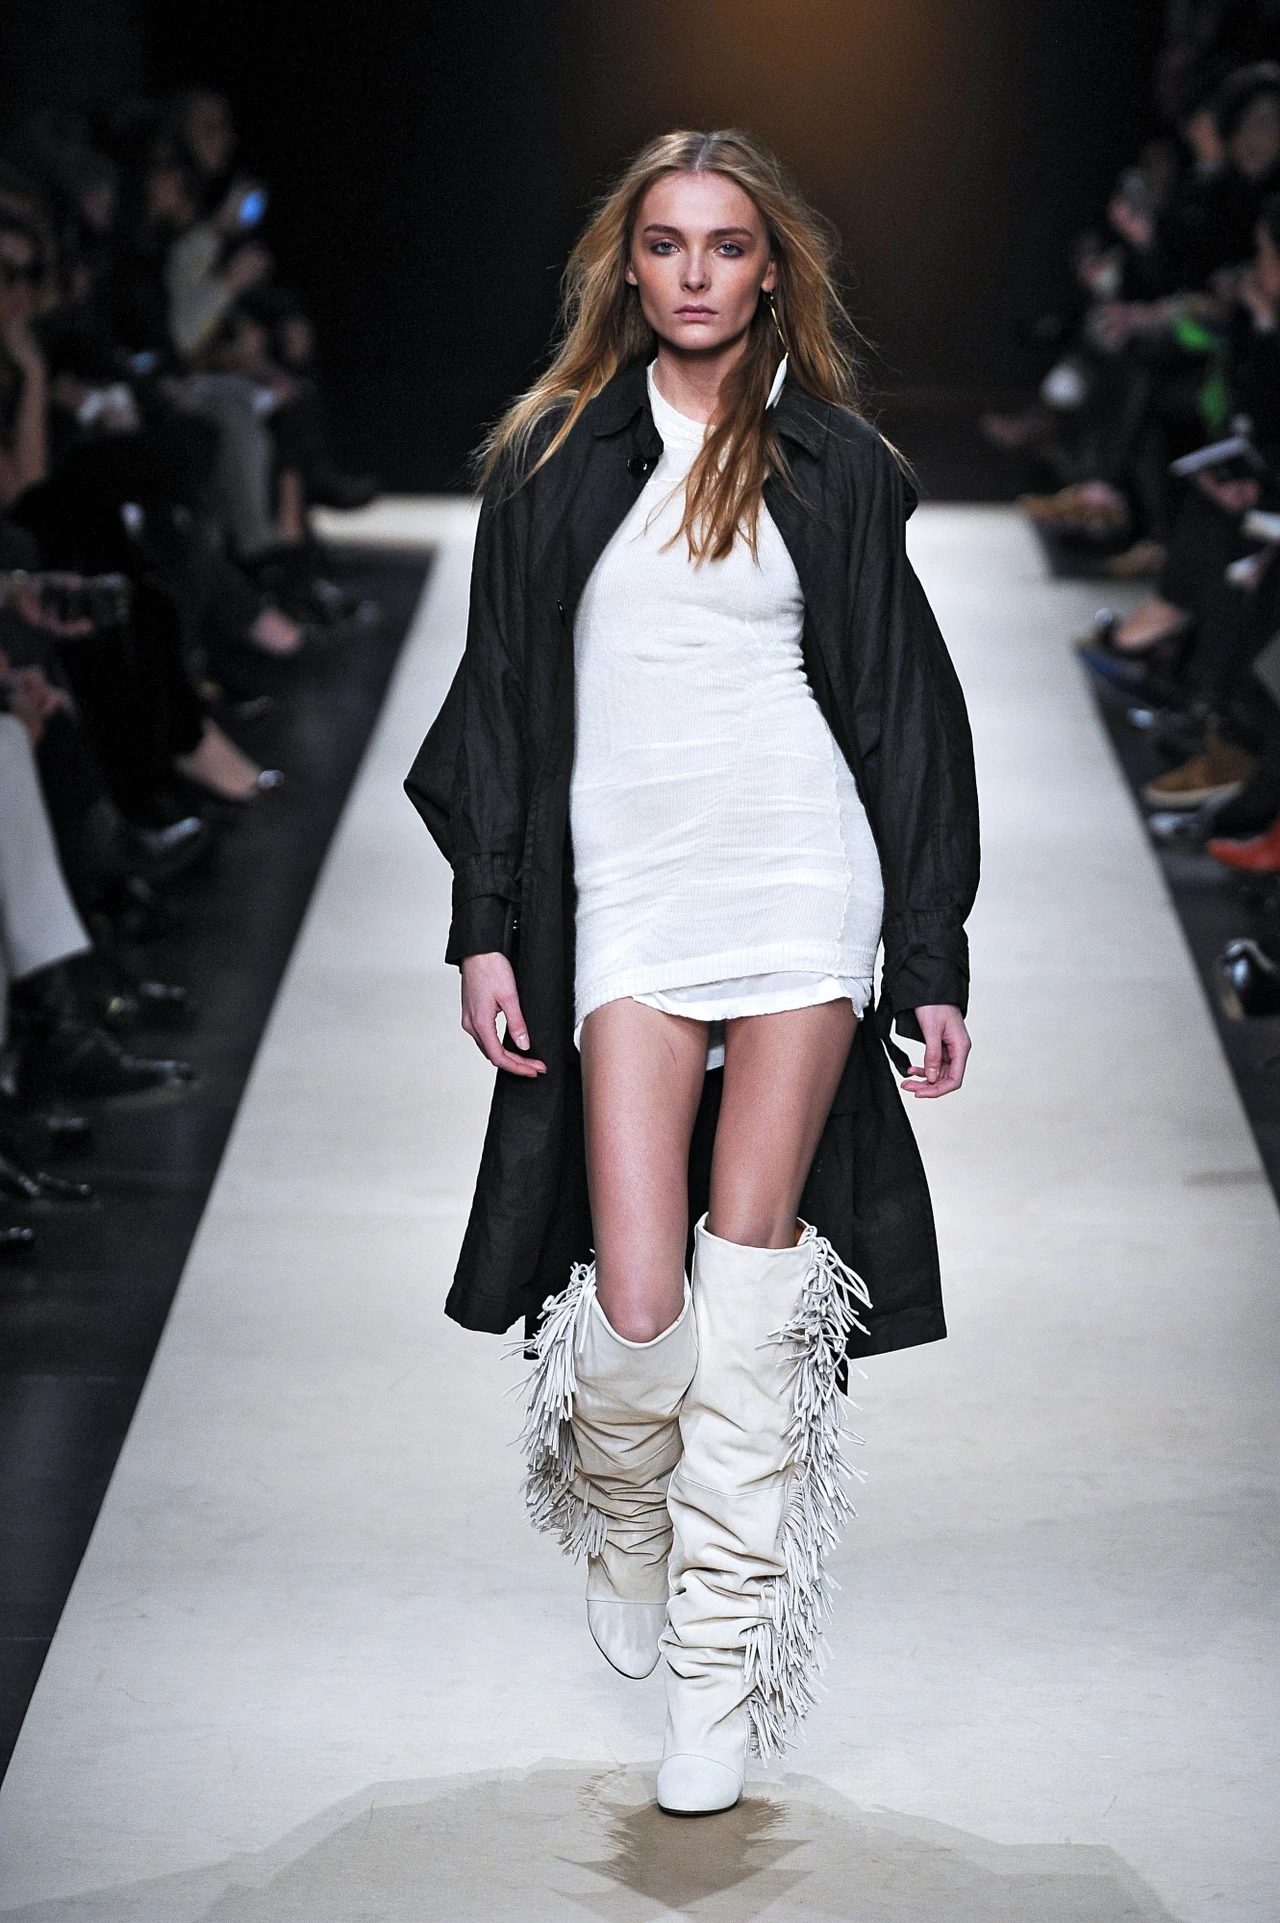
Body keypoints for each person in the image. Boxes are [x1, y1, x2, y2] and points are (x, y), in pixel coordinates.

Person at [407, 129, 979, 1816]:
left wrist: (926, 952)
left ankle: (722, 1670)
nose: (697, 273)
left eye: (727, 245)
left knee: (756, 1285)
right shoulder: (549, 455)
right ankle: (623, 1505)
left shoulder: (839, 465)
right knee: (638, 1305)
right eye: (667, 244)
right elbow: (498, 702)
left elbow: (904, 712)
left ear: (770, 270)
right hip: (631, 894)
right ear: (629, 266)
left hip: (797, 874)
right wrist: (487, 922)